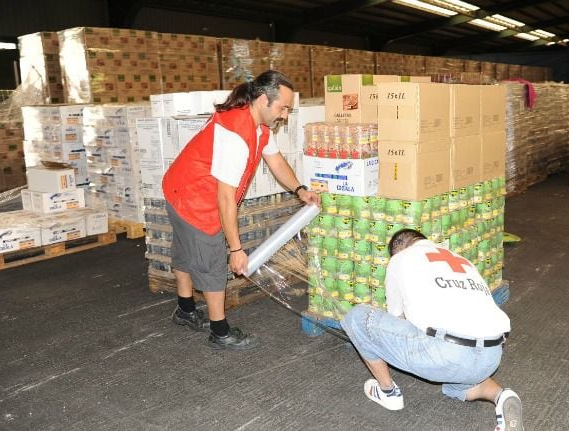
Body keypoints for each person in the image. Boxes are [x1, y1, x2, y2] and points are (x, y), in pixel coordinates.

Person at [162, 70, 320, 351]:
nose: (285, 115)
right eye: (283, 108)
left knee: (185, 252)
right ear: (262, 100)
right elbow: (225, 198)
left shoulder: (259, 126)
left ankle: (185, 311)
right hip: (195, 198)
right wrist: (235, 249)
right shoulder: (236, 134)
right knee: (211, 263)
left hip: (178, 185)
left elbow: (276, 161)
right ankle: (220, 332)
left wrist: (300, 190)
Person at [341, 229, 523, 431]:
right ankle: (502, 396)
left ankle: (388, 393)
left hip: (445, 352)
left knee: (357, 318)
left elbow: (395, 316)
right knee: (456, 387)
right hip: (491, 354)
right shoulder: (460, 260)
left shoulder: (401, 258)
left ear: (398, 248)